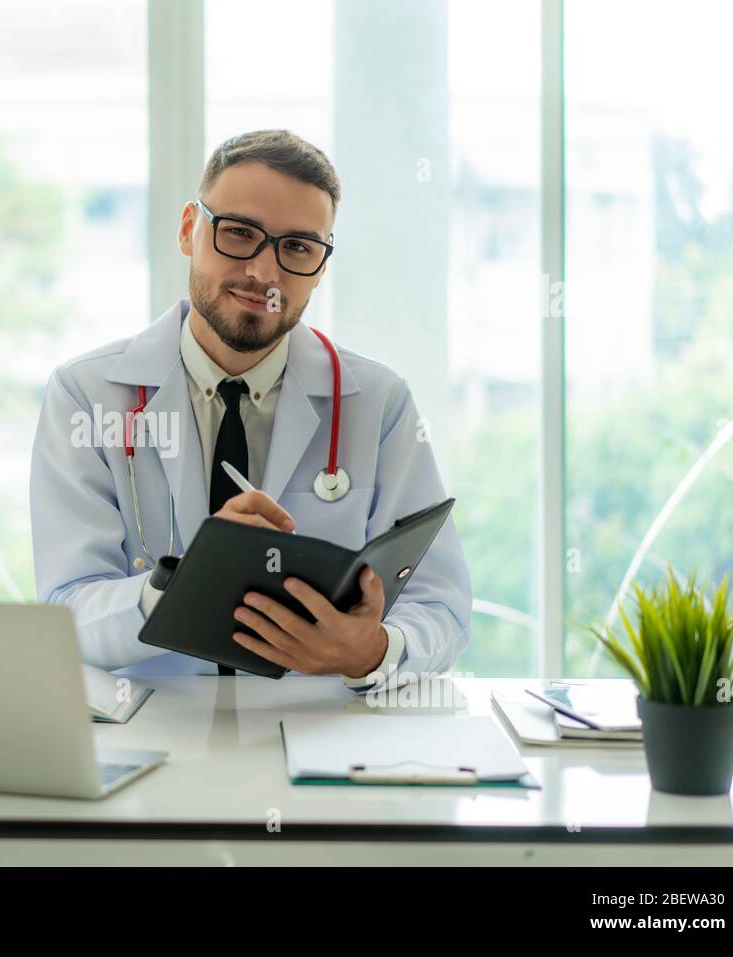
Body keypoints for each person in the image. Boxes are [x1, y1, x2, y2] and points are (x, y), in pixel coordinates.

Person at [30, 129, 471, 688]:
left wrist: (374, 651)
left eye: (297, 247)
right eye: (239, 233)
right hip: (154, 729)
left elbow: (442, 606)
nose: (264, 273)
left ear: (322, 263)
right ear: (190, 229)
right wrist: (182, 582)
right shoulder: (88, 396)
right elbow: (65, 613)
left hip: (314, 734)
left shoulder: (378, 404)